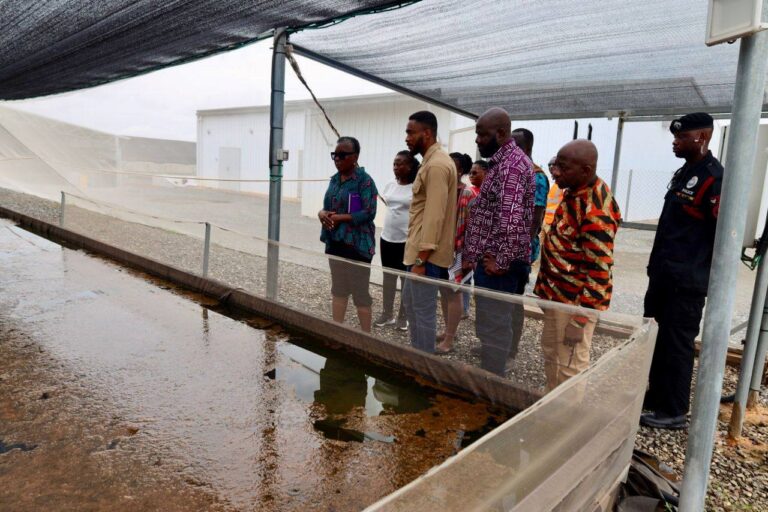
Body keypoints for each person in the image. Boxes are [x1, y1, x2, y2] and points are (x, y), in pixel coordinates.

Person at [641, 112, 722, 430]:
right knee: (657, 339)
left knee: (677, 343)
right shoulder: (684, 173)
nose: (674, 141)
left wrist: (699, 273)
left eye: (681, 137)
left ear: (701, 137)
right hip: (663, 275)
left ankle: (673, 410)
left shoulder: (714, 179)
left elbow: (719, 236)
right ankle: (656, 397)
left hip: (685, 282)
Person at [534, 140, 621, 391]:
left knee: (570, 366)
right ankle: (552, 409)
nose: (555, 172)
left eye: (563, 167)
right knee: (552, 353)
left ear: (585, 170)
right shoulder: (573, 190)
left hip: (574, 305)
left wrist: (579, 320)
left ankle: (566, 420)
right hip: (557, 296)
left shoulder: (596, 209)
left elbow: (599, 270)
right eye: (555, 165)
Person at [461, 107, 535, 375]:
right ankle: (491, 369)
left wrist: (500, 261)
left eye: (483, 134)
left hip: (499, 265)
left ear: (502, 133)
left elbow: (511, 218)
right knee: (490, 322)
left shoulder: (512, 166)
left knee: (495, 323)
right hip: (490, 259)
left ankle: (492, 382)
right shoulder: (501, 162)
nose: (478, 140)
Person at [402, 111, 457, 353]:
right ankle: (418, 355)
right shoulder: (430, 161)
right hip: (419, 252)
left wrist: (421, 260)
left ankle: (422, 364)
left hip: (426, 257)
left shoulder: (436, 165)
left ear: (427, 133)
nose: (407, 138)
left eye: (410, 132)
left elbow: (435, 215)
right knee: (411, 304)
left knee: (422, 312)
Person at [318, 136, 378, 332]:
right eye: (334, 155)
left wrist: (339, 218)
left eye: (342, 155)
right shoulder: (335, 180)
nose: (337, 159)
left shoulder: (365, 181)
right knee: (339, 289)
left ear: (355, 157)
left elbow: (369, 212)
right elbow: (327, 206)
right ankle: (337, 333)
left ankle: (366, 340)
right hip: (336, 241)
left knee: (360, 294)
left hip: (357, 246)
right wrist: (322, 213)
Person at [435, 152, 477, 354]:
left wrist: (469, 255)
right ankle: (449, 330)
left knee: (454, 292)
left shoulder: (467, 194)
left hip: (459, 251)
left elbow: (474, 227)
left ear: (459, 170)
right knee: (444, 290)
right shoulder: (443, 190)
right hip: (441, 249)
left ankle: (450, 339)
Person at [375, 150, 419, 331]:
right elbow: (389, 205)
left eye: (401, 163)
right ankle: (387, 313)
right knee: (388, 277)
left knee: (405, 279)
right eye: (394, 163)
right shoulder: (390, 185)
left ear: (410, 167)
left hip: (406, 241)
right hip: (387, 238)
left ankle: (404, 315)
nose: (396, 167)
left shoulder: (416, 187)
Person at [544, 157, 562, 227]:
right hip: (544, 221)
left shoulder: (563, 186)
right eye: (550, 165)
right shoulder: (549, 183)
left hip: (554, 223)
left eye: (554, 165)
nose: (551, 167)